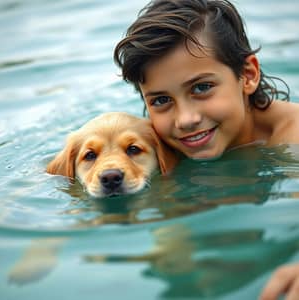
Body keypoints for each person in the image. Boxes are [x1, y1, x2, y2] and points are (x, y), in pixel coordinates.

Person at [113, 0, 299, 299]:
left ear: (248, 75)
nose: (186, 120)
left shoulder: (292, 136)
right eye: (161, 100)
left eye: (201, 88)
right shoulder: (156, 145)